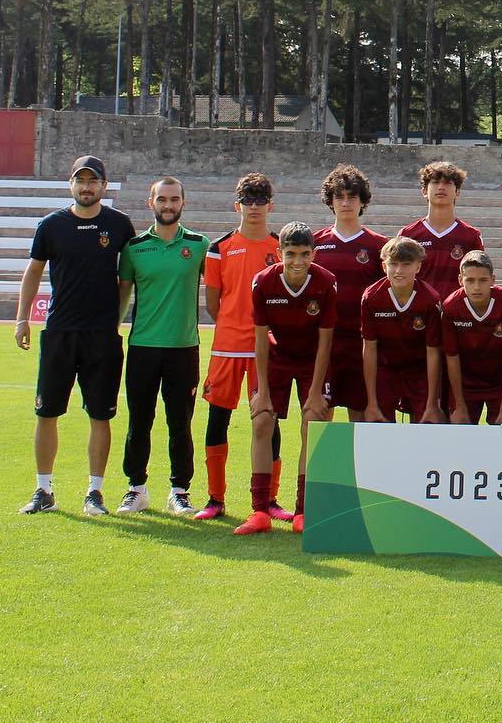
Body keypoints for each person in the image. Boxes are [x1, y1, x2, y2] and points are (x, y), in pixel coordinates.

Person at [16, 155, 136, 516]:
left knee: (100, 415)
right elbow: (33, 271)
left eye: (93, 181)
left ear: (103, 185)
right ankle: (44, 490)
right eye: (80, 181)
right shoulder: (51, 225)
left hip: (101, 336)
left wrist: (115, 320)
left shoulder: (119, 225)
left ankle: (94, 492)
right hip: (60, 333)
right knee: (46, 412)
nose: (86, 187)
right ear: (71, 184)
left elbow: (127, 279)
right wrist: (22, 319)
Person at [113, 177, 209, 515]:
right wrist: (112, 331)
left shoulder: (199, 245)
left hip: (183, 348)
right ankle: (135, 488)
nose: (168, 205)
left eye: (174, 199)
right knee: (139, 421)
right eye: (162, 199)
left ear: (183, 203)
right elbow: (123, 293)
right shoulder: (134, 247)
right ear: (150, 202)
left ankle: (179, 490)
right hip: (143, 347)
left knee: (180, 423)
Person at [196, 173, 286, 521]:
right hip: (227, 348)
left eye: (260, 200)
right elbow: (213, 304)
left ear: (270, 205)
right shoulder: (219, 248)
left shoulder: (280, 248)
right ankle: (215, 498)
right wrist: (235, 324)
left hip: (267, 349)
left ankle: (270, 500)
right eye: (248, 200)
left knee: (268, 421)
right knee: (218, 418)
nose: (254, 207)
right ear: (237, 205)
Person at [239, 222, 337, 535]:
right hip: (276, 358)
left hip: (312, 360)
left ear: (314, 254)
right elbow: (259, 337)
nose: (298, 261)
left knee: (313, 421)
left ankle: (303, 511)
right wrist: (263, 392)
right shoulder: (263, 281)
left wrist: (316, 392)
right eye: (291, 253)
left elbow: (326, 341)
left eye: (305, 253)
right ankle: (260, 511)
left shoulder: (325, 282)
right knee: (262, 420)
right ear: (279, 252)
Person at [312, 165, 386, 421]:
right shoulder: (314, 244)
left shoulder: (379, 246)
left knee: (361, 420)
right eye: (339, 197)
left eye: (352, 197)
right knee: (318, 417)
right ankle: (320, 453)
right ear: (330, 201)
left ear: (362, 201)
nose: (345, 203)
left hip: (362, 344)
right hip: (324, 344)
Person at [360, 237, 443, 424]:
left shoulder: (430, 300)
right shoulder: (371, 297)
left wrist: (432, 404)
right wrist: (371, 402)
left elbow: (433, 352)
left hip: (419, 370)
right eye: (393, 264)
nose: (399, 270)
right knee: (379, 424)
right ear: (384, 266)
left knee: (427, 423)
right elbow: (369, 348)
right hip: (385, 369)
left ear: (418, 267)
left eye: (406, 264)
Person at [441, 251, 502, 425]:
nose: (476, 287)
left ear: (493, 280)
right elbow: (452, 357)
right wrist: (459, 405)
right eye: (470, 280)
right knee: (461, 430)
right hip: (466, 383)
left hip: (500, 382)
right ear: (460, 280)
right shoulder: (451, 307)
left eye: (483, 280)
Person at [398, 161, 485, 302]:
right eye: (435, 182)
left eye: (447, 183)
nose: (441, 187)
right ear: (424, 191)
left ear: (457, 192)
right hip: (418, 311)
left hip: (457, 311)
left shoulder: (471, 236)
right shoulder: (407, 235)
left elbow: (479, 278)